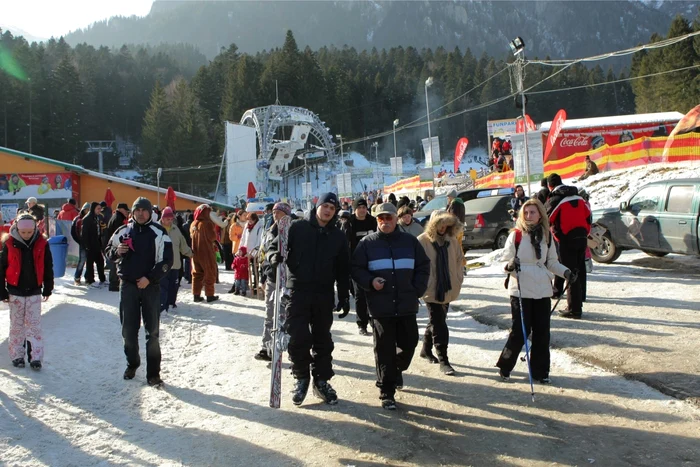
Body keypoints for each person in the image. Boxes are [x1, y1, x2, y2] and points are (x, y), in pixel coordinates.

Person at [351, 203, 430, 410]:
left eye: (389, 218)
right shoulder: (367, 244)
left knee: (410, 342)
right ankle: (386, 390)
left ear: (396, 219)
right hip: (380, 306)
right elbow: (356, 269)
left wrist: (417, 289)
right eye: (381, 218)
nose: (385, 222)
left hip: (406, 303)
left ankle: (396, 370)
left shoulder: (410, 242)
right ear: (377, 220)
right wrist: (370, 282)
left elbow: (423, 266)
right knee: (384, 349)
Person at [282, 193, 350, 406]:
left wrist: (345, 295)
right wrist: (273, 259)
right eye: (325, 206)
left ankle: (321, 381)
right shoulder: (297, 227)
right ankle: (302, 377)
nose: (328, 210)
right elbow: (277, 247)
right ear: (317, 206)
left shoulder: (338, 236)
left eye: (332, 207)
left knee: (323, 340)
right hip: (298, 291)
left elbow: (343, 269)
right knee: (297, 336)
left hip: (323, 293)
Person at [496, 199, 574, 383]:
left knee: (542, 333)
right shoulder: (515, 236)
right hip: (520, 289)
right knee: (520, 331)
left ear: (540, 215)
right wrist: (510, 265)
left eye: (533, 212)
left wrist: (566, 272)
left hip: (542, 289)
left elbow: (551, 262)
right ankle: (505, 366)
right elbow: (503, 262)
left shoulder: (546, 236)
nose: (529, 216)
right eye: (526, 212)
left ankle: (541, 372)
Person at [106, 197, 173, 387]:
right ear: (132, 212)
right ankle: (132, 363)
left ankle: (153, 374)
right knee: (128, 330)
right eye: (137, 210)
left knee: (152, 333)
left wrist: (150, 278)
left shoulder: (159, 232)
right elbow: (108, 252)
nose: (141, 213)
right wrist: (117, 251)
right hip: (128, 287)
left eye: (144, 210)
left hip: (150, 287)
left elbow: (167, 260)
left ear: (150, 212)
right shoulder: (123, 231)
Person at [0, 214, 53, 370]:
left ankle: (35, 357)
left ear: (35, 229)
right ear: (17, 229)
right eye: (23, 232)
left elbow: (48, 265)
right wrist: (2, 291)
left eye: (29, 232)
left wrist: (48, 287)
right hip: (15, 291)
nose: (26, 235)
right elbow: (1, 268)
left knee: (34, 325)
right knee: (16, 326)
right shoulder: (8, 243)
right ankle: (17, 355)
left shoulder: (42, 243)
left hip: (34, 291)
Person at [416, 211, 464, 376]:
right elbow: (416, 265)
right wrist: (423, 283)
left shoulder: (452, 241)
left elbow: (459, 260)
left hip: (448, 286)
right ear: (433, 224)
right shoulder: (422, 241)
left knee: (437, 320)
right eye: (440, 224)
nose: (443, 228)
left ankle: (425, 349)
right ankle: (444, 360)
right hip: (431, 288)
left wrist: (458, 278)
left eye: (447, 224)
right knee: (439, 324)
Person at [545, 173, 591, 319]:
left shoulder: (556, 199)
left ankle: (574, 308)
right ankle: (580, 298)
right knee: (579, 269)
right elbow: (588, 217)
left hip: (566, 239)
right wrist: (585, 232)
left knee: (569, 272)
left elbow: (546, 218)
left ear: (549, 186)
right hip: (582, 237)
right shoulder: (578, 197)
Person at [349, 198, 377, 336]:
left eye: (364, 207)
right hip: (357, 263)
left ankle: (374, 320)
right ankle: (362, 324)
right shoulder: (350, 223)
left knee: (374, 292)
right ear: (355, 209)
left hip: (373, 261)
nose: (362, 210)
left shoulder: (373, 221)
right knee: (360, 295)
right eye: (359, 208)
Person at [159, 207, 192, 312]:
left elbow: (182, 244)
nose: (170, 221)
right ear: (162, 218)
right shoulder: (157, 229)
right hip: (161, 264)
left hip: (175, 263)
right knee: (163, 286)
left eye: (171, 219)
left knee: (174, 285)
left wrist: (190, 253)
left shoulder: (175, 229)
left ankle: (171, 303)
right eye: (167, 219)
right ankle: (163, 306)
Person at [190, 204, 219, 303]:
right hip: (206, 252)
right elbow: (212, 237)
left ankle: (196, 295)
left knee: (197, 274)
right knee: (209, 272)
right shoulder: (207, 223)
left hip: (195, 252)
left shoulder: (193, 224)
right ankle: (210, 295)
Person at [105, 203, 130, 292]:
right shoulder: (118, 218)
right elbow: (119, 234)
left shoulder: (115, 216)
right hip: (114, 245)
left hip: (111, 244)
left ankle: (114, 284)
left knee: (114, 265)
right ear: (120, 209)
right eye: (125, 210)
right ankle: (114, 285)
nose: (127, 212)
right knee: (114, 265)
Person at [81, 202, 107, 288]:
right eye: (98, 209)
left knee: (100, 262)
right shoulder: (87, 219)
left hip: (97, 244)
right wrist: (87, 245)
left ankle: (102, 279)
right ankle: (90, 280)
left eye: (100, 209)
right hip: (90, 245)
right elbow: (84, 234)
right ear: (93, 209)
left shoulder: (97, 218)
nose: (100, 210)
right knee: (90, 264)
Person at [241, 212, 264, 296]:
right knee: (244, 269)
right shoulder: (247, 226)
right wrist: (241, 250)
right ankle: (244, 285)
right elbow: (243, 238)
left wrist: (253, 253)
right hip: (247, 252)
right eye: (248, 220)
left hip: (255, 253)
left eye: (251, 220)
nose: (249, 221)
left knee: (255, 271)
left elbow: (259, 242)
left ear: (255, 220)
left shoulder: (260, 227)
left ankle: (256, 286)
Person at [70, 202, 91, 285]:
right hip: (83, 243)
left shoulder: (93, 218)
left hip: (91, 243)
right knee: (82, 261)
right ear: (84, 210)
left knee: (90, 261)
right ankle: (77, 277)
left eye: (89, 210)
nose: (88, 211)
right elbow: (73, 232)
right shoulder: (78, 219)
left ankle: (87, 277)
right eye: (87, 210)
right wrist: (80, 241)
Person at [182, 212, 194, 284]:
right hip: (192, 245)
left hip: (186, 245)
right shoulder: (194, 225)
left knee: (187, 261)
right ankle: (190, 276)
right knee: (191, 262)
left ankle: (186, 275)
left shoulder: (184, 225)